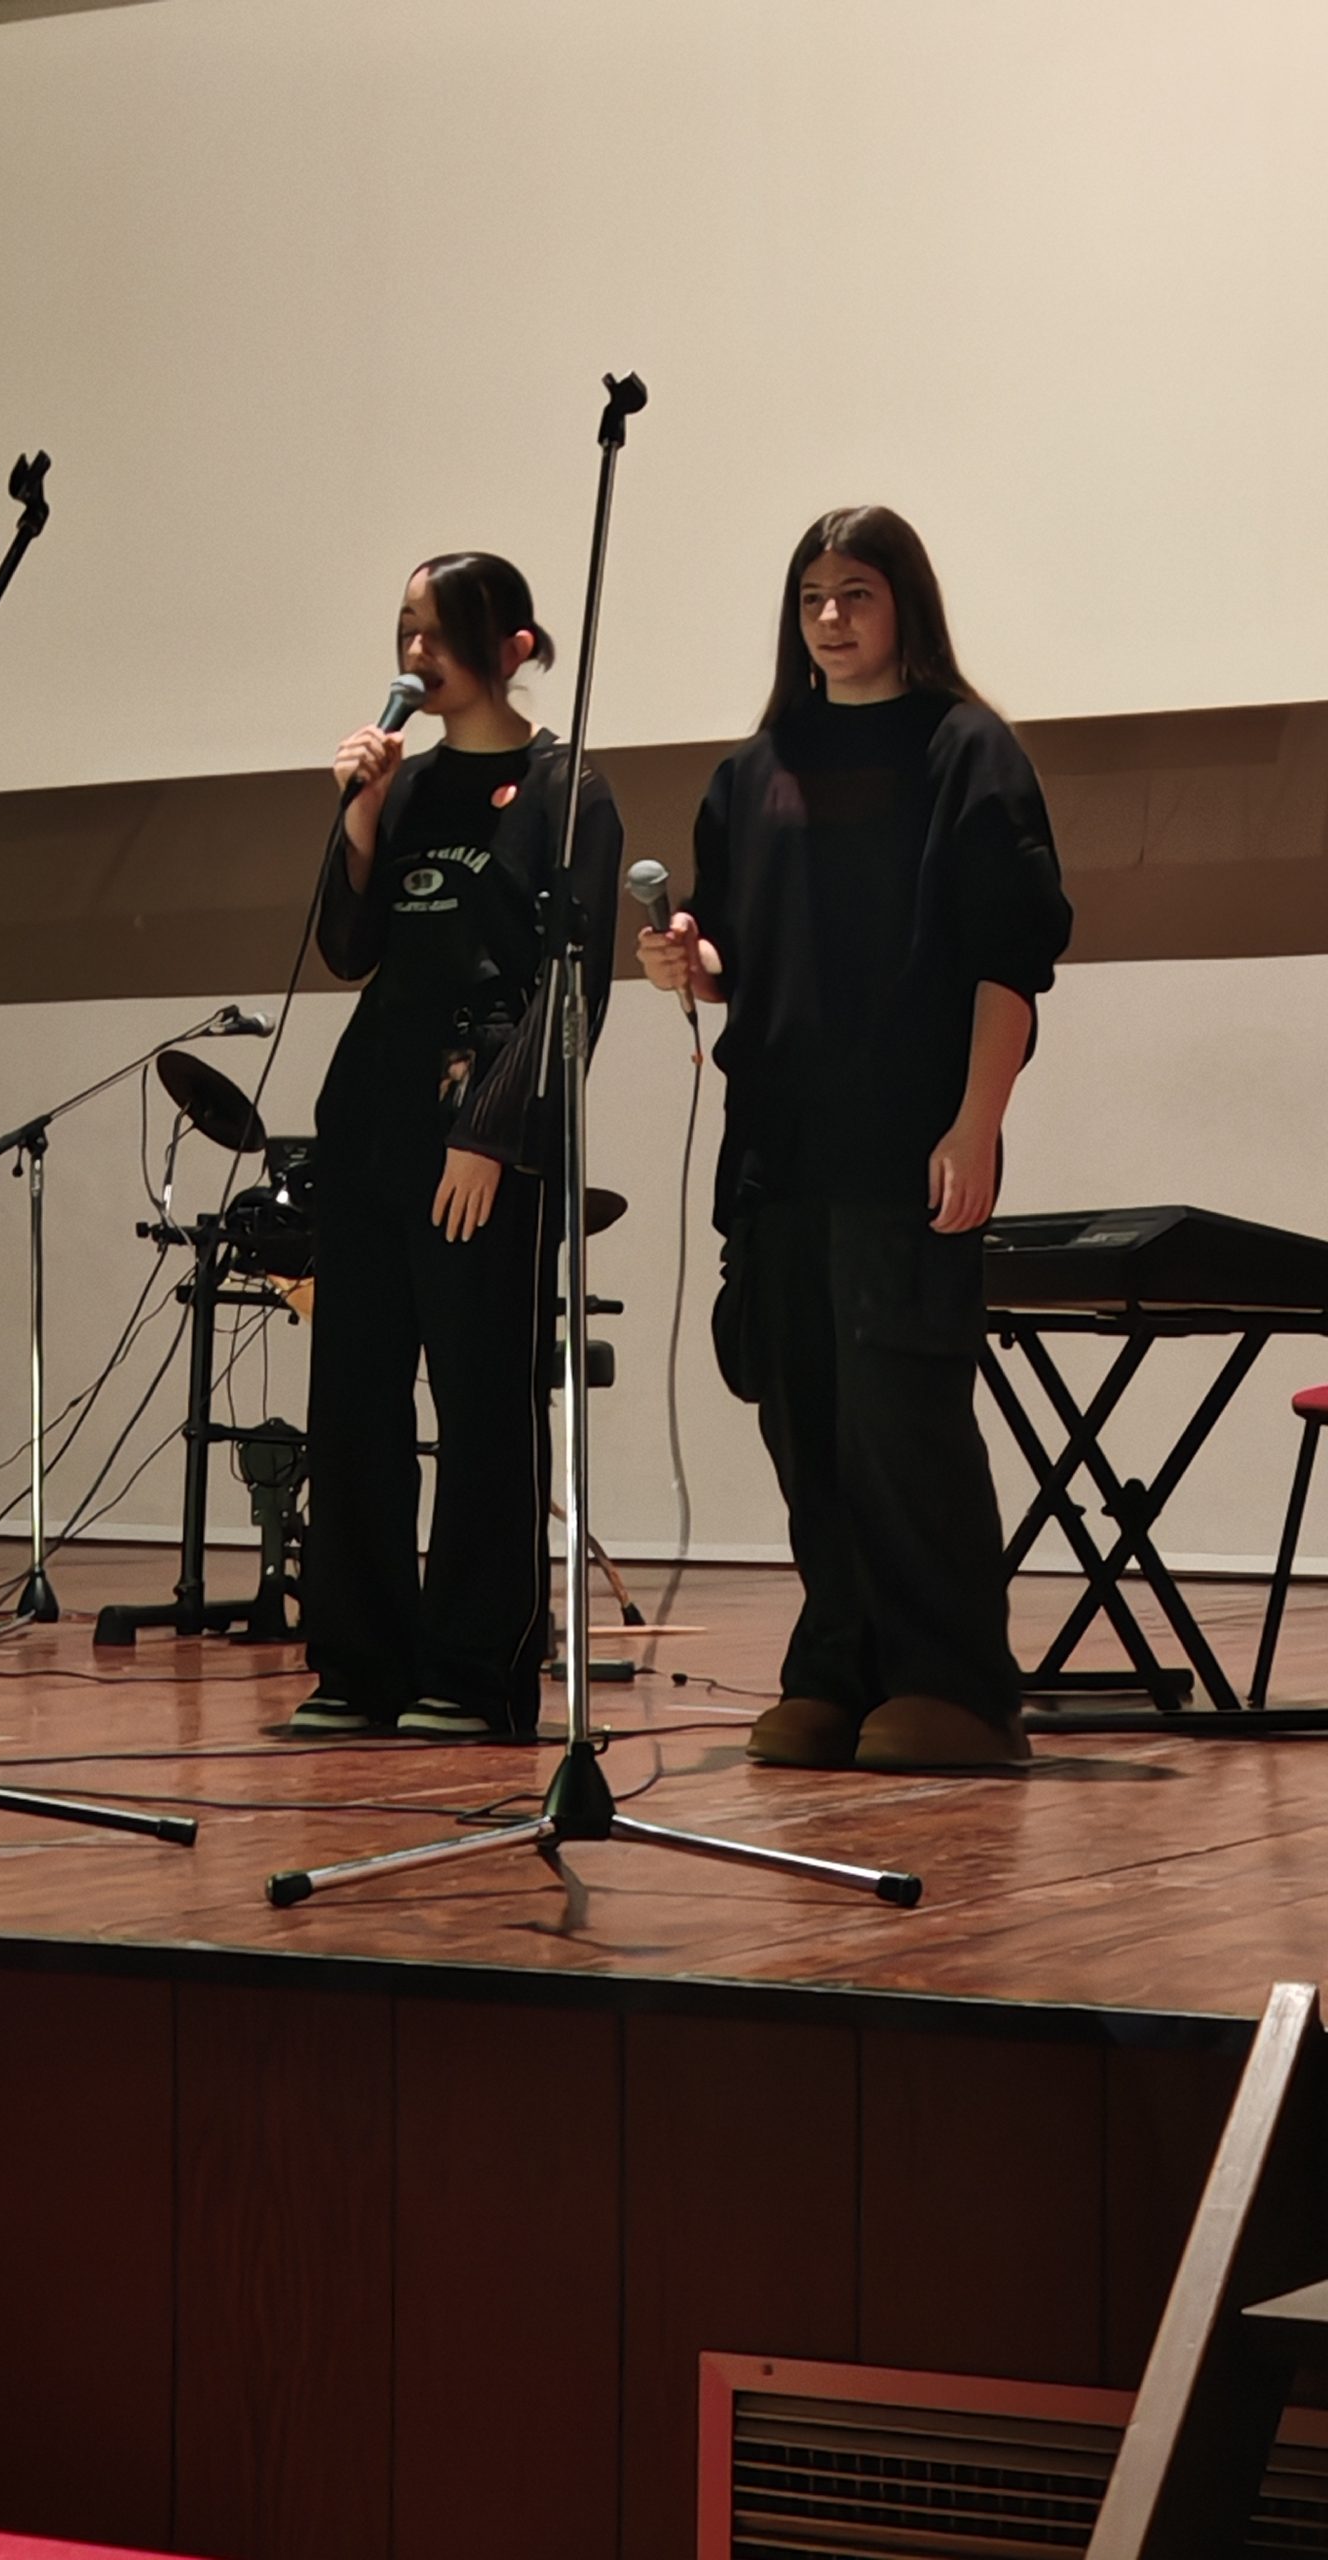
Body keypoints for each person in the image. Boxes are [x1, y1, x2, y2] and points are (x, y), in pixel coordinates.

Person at [638, 506, 1072, 1773]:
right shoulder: (752, 773)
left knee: (903, 1425)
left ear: (904, 606)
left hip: (908, 1142)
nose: (831, 618)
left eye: (857, 594)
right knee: (807, 1426)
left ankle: (954, 1683)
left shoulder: (966, 750)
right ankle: (838, 1668)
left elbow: (1009, 960)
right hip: (780, 1150)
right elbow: (736, 959)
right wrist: (688, 963)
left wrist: (977, 1124)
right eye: (813, 597)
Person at [294, 551, 623, 1739]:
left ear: (514, 646)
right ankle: (359, 1662)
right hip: (372, 1121)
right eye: (405, 631)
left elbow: (573, 985)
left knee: (483, 1404)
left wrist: (491, 1133)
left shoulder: (566, 790)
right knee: (355, 1399)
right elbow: (348, 949)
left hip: (483, 1133)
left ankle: (477, 1668)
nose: (415, 655)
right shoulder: (405, 780)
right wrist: (362, 814)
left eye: (437, 633)